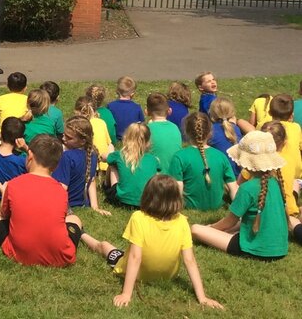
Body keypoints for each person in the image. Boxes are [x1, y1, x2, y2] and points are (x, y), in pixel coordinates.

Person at [81, 174, 223, 309]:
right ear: (177, 199)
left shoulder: (139, 218)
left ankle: (81, 234)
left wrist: (126, 294)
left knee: (104, 246)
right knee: (127, 251)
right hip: (167, 277)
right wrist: (202, 297)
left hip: (139, 274)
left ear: (148, 196)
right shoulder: (182, 221)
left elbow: (135, 258)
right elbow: (190, 260)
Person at [191, 130, 302, 260]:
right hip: (279, 248)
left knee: (196, 229)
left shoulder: (247, 188)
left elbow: (229, 222)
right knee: (240, 223)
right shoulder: (277, 183)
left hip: (252, 248)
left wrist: (212, 228)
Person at [0, 134, 83, 267]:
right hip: (61, 257)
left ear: (30, 155)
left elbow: (4, 215)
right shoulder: (61, 190)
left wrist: (4, 194)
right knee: (74, 219)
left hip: (20, 254)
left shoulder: (13, 184)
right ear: (55, 166)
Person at [167, 112, 237, 210]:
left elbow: (176, 188)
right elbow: (233, 187)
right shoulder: (221, 156)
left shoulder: (179, 157)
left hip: (189, 206)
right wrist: (240, 212)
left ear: (186, 131)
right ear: (210, 132)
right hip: (216, 206)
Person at [53, 116, 109, 215]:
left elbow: (61, 188)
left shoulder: (67, 157)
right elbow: (91, 180)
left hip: (67, 204)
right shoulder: (93, 154)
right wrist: (95, 207)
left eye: (68, 137)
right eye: (64, 135)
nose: (63, 138)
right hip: (82, 204)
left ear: (82, 141)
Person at [104, 122, 160, 209]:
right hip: (146, 203)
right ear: (148, 142)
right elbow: (158, 169)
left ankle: (107, 187)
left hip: (122, 201)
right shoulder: (153, 159)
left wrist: (107, 153)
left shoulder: (120, 155)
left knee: (113, 166)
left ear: (126, 138)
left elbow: (106, 158)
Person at [74, 96, 113, 174]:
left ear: (78, 112)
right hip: (105, 163)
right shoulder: (101, 122)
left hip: (91, 164)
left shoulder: (80, 126)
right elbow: (109, 144)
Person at [144, 92, 181, 170]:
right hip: (174, 175)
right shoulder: (175, 127)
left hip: (154, 176)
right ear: (169, 111)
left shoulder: (146, 130)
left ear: (146, 112)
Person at [0, 72, 27, 136]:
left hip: (4, 132)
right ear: (25, 87)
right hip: (21, 131)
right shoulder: (28, 99)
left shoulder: (1, 98)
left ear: (7, 85)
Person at [106, 76, 144, 140]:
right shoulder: (137, 107)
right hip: (132, 136)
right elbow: (141, 124)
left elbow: (109, 122)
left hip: (116, 135)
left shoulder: (111, 106)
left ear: (117, 91)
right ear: (132, 94)